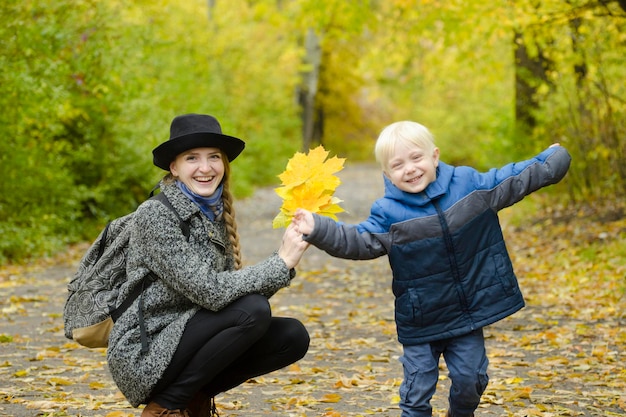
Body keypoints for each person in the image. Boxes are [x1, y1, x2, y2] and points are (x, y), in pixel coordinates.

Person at [293, 121, 571, 417]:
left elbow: (513, 179)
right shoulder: (388, 213)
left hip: (467, 315)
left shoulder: (469, 185)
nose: (410, 169)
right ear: (387, 174)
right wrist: (318, 228)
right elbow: (358, 241)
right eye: (397, 165)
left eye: (416, 158)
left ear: (434, 156)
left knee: (471, 380)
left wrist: (550, 160)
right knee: (417, 391)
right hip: (421, 319)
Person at [106, 113, 311, 417]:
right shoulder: (155, 214)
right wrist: (280, 264)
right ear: (174, 168)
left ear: (224, 165)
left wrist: (286, 254)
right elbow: (211, 292)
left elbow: (230, 297)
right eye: (192, 158)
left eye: (214, 157)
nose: (205, 168)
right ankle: (166, 405)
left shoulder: (213, 214)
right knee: (253, 310)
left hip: (187, 337)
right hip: (145, 350)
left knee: (292, 336)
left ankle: (193, 397)